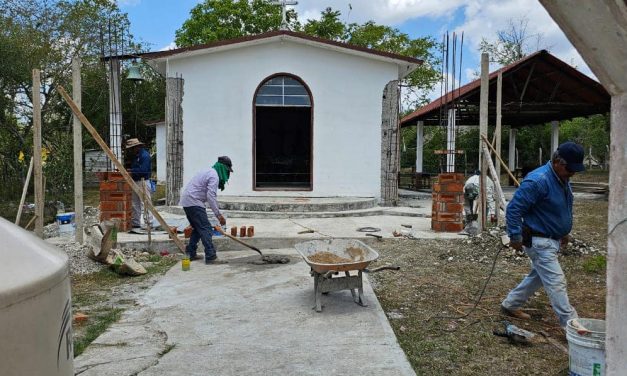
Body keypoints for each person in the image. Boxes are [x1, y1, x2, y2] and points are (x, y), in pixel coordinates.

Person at [501, 141, 585, 329]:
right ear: (557, 161)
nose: (572, 173)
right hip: (539, 241)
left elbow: (559, 208)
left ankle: (510, 304)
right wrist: (515, 236)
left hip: (551, 238)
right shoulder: (538, 181)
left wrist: (563, 232)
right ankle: (572, 326)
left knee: (538, 276)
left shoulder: (561, 179)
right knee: (556, 281)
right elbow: (514, 209)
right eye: (570, 169)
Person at [179, 156, 233, 264]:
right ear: (223, 168)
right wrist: (218, 214)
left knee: (198, 229)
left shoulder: (208, 171)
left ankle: (190, 253)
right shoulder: (214, 176)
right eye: (227, 171)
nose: (227, 174)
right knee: (206, 228)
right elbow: (211, 196)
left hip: (187, 201)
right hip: (194, 202)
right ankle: (211, 256)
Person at [126, 138, 154, 229]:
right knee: (135, 203)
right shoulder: (136, 156)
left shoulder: (144, 156)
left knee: (145, 203)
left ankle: (148, 223)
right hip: (135, 181)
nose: (130, 150)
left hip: (143, 181)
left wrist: (131, 171)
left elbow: (144, 171)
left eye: (132, 148)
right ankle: (135, 223)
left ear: (137, 147)